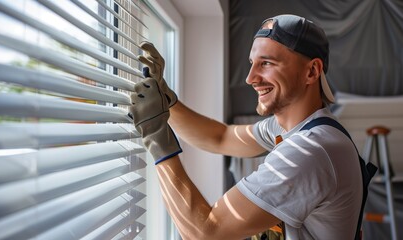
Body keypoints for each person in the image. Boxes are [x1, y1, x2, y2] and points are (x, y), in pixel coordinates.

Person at [129, 14, 365, 239]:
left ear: (311, 71)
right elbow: (220, 137)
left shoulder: (311, 150)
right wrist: (168, 102)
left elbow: (205, 233)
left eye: (267, 63)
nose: (250, 77)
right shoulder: (294, 128)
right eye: (253, 63)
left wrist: (157, 136)